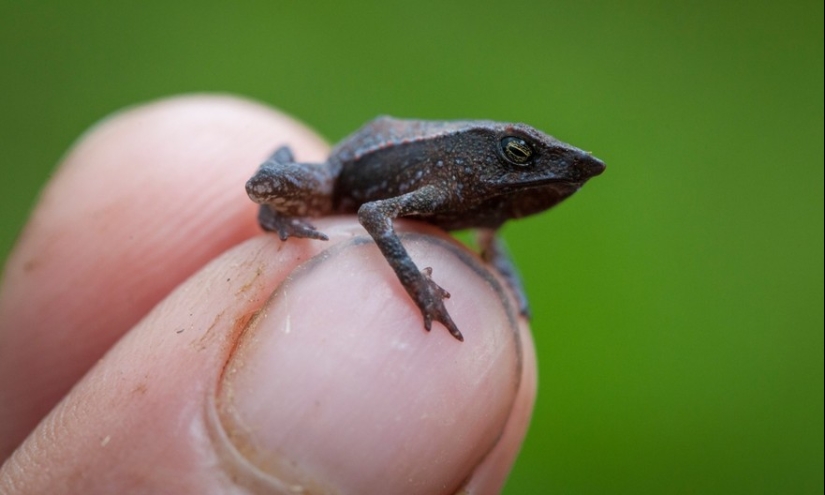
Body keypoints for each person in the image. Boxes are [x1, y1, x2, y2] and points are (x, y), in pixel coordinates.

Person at [0, 95, 536, 494]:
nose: (529, 165)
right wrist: (417, 284)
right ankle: (278, 210)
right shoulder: (454, 169)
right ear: (486, 151)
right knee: (267, 184)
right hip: (341, 178)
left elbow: (489, 231)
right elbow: (374, 212)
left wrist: (505, 275)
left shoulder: (480, 197)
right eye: (518, 153)